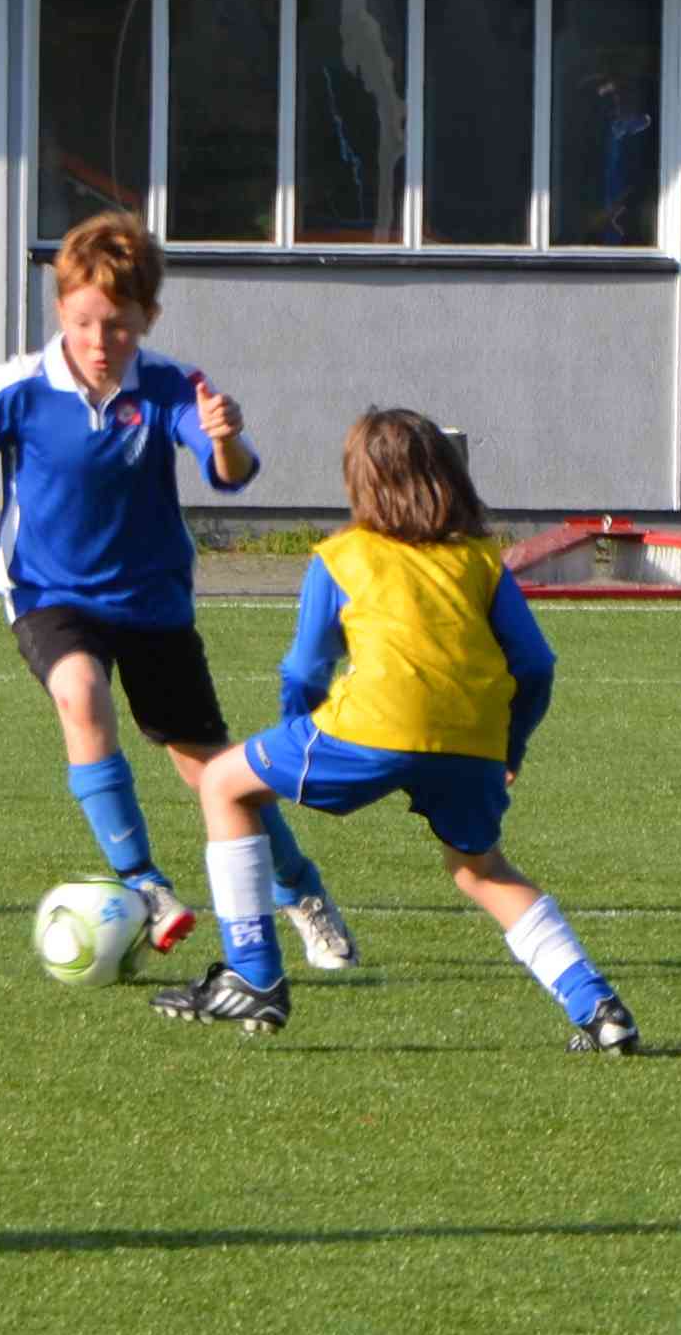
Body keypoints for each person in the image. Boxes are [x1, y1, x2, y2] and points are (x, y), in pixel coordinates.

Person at [0, 210, 349, 969]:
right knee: (79, 692)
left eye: (119, 326)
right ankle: (145, 883)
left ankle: (299, 889)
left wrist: (227, 436)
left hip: (151, 602)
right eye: (83, 323)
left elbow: (231, 475)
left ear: (149, 318)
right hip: (50, 593)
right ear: (60, 311)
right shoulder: (17, 386)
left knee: (210, 771)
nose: (100, 341)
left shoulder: (172, 384)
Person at [152, 407, 635, 1052]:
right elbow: (535, 665)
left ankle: (253, 975)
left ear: (359, 484)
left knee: (221, 783)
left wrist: (297, 732)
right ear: (449, 477)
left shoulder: (342, 556)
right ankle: (598, 1008)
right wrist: (508, 747)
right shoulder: (480, 561)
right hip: (471, 741)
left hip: (371, 728)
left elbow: (305, 668)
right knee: (481, 870)